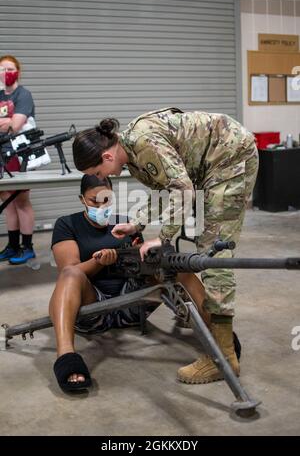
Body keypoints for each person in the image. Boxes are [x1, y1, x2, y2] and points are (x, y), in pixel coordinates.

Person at [72, 107, 258, 385]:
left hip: (230, 159)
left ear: (107, 155)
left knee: (214, 252)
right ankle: (221, 343)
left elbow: (182, 188)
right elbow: (165, 189)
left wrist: (165, 237)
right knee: (208, 247)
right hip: (213, 164)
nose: (101, 178)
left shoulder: (143, 143)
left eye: (99, 172)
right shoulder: (132, 153)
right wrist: (137, 224)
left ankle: (223, 357)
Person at [50, 174, 160, 392]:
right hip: (92, 312)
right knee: (71, 275)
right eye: (94, 201)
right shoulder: (67, 224)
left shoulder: (125, 222)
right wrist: (97, 262)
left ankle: (218, 334)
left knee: (174, 263)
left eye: (106, 200)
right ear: (82, 199)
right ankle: (66, 355)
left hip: (132, 306)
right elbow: (69, 271)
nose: (101, 206)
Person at [0, 55, 36, 264]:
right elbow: (9, 123)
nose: (6, 73)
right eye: (2, 69)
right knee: (7, 201)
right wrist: (6, 121)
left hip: (17, 154)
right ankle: (12, 246)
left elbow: (15, 125)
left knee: (21, 200)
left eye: (10, 68)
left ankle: (27, 246)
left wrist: (9, 122)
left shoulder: (24, 95)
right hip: (1, 154)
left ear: (18, 71)